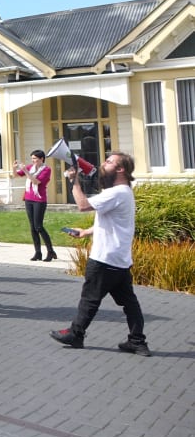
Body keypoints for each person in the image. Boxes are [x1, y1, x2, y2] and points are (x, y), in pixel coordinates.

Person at [50, 152, 150, 356]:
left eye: (109, 162)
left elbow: (83, 205)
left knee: (90, 299)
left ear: (120, 169)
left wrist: (74, 181)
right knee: (129, 303)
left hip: (104, 259)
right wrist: (86, 232)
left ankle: (76, 334)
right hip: (119, 260)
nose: (104, 163)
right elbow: (115, 222)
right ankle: (137, 341)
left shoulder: (116, 193)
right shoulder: (124, 192)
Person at [15, 149, 56, 262]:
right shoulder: (30, 167)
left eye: (35, 159)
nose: (33, 161)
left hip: (39, 200)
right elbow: (16, 175)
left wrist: (25, 171)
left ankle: (50, 251)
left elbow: (36, 181)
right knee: (33, 227)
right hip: (28, 199)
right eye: (32, 159)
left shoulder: (46, 170)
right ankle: (38, 252)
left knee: (39, 226)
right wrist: (15, 168)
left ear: (42, 159)